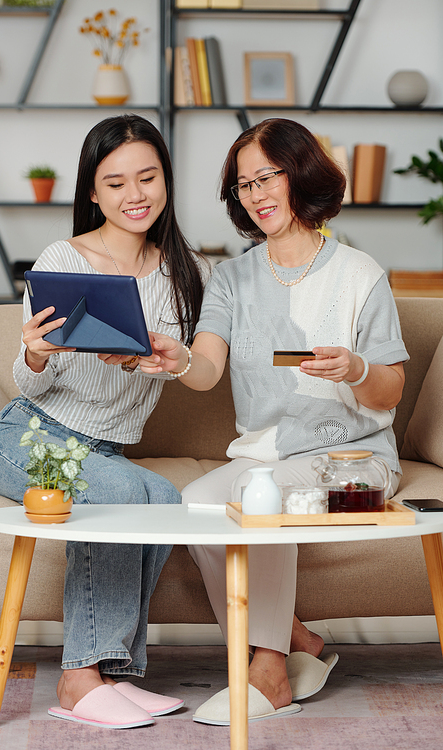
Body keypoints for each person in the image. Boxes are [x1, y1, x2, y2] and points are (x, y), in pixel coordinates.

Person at [140, 118, 408, 725]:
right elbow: (206, 367)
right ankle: (300, 642)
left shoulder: (360, 274)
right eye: (243, 184)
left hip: (354, 458)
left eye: (269, 177)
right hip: (267, 454)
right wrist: (178, 357)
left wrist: (357, 368)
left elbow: (388, 393)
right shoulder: (232, 277)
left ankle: (266, 667)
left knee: (261, 500)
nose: (257, 194)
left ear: (302, 175)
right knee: (200, 504)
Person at [0, 114, 206, 730]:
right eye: (116, 183)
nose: (135, 196)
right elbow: (34, 380)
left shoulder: (185, 274)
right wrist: (34, 351)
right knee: (125, 494)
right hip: (27, 435)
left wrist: (155, 359)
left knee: (161, 498)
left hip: (101, 449)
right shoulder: (64, 258)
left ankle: (115, 675)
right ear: (92, 193)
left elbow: (188, 366)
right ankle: (80, 677)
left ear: (166, 180)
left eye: (148, 177)